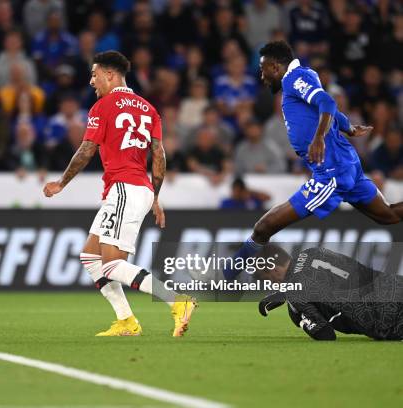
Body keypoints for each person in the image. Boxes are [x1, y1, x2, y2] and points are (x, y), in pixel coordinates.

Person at [42, 51, 196, 337]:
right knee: (91, 257)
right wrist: (156, 196)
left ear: (110, 75)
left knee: (112, 264)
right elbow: (158, 153)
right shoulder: (149, 108)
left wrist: (62, 183)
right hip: (139, 189)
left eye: (94, 74)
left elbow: (87, 149)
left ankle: (177, 301)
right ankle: (126, 321)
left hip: (124, 187)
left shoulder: (103, 106)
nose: (91, 81)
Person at [224, 41, 403, 280]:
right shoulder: (304, 76)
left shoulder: (292, 79)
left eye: (263, 68)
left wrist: (318, 138)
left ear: (276, 67)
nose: (262, 75)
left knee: (263, 228)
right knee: (388, 215)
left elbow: (327, 102)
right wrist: (347, 126)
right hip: (344, 163)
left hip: (331, 172)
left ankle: (223, 276)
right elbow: (322, 109)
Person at [256, 245, 403, 341]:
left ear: (274, 270)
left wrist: (298, 315)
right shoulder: (313, 251)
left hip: (390, 320)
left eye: (265, 278)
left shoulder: (296, 293)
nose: (269, 284)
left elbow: (326, 335)